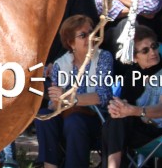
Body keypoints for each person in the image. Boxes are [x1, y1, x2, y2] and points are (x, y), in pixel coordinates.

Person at [102, 26, 162, 168]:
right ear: (134, 57)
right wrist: (116, 108)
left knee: (114, 125)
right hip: (139, 128)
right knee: (114, 121)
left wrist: (133, 111)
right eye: (145, 50)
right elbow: (125, 105)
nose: (152, 52)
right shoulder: (132, 74)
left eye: (154, 46)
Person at [35, 15, 113, 168]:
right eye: (83, 35)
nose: (90, 37)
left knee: (74, 120)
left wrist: (72, 98)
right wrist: (56, 100)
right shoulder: (60, 64)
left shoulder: (103, 57)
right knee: (43, 117)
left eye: (92, 32)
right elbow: (54, 105)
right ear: (71, 43)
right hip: (67, 117)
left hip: (96, 119)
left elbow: (103, 96)